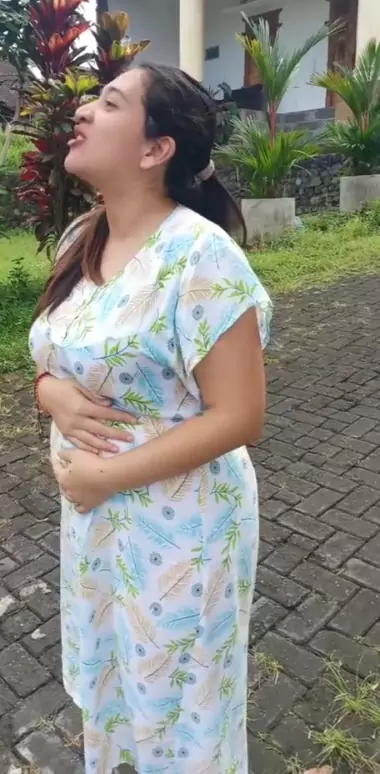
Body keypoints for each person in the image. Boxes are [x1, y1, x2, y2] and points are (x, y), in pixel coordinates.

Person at [30, 63, 272, 774]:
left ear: (155, 149)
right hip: (97, 519)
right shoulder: (85, 235)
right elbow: (61, 351)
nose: (82, 111)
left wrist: (104, 476)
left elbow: (240, 415)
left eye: (109, 103)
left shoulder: (201, 256)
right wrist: (49, 393)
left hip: (181, 530)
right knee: (115, 689)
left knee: (181, 711)